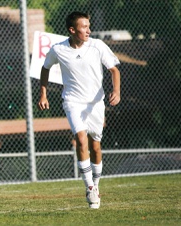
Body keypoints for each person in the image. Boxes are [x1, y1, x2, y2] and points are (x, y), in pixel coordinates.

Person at [38, 11, 121, 209]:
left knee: (95, 147)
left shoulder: (97, 45)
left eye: (88, 26)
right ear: (72, 30)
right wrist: (43, 94)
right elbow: (45, 67)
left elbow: (114, 69)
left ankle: (97, 186)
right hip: (72, 101)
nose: (88, 30)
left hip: (95, 103)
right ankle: (89, 187)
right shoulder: (58, 49)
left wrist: (116, 91)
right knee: (81, 139)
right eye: (84, 27)